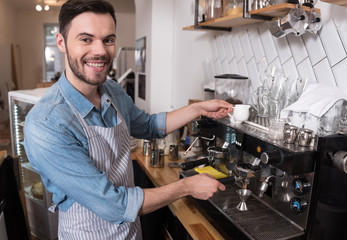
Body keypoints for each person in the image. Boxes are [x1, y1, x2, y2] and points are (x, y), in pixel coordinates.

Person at [24, 0, 233, 239]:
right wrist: (186, 186)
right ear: (61, 42)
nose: (100, 51)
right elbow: (114, 205)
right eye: (86, 39)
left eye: (108, 39)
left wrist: (199, 109)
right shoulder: (47, 124)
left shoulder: (112, 91)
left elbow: (149, 125)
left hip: (131, 231)